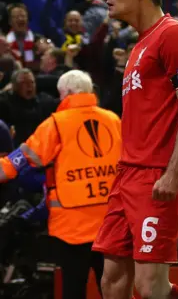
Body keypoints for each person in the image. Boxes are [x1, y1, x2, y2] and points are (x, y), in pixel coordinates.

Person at [91, 0, 178, 299]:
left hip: (156, 175)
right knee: (111, 280)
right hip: (126, 176)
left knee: (150, 286)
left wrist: (173, 173)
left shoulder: (174, 35)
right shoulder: (139, 45)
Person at [0, 70, 119, 299]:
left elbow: (21, 160)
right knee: (113, 289)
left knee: (74, 288)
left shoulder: (56, 124)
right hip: (111, 223)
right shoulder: (113, 120)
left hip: (73, 227)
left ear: (66, 93)